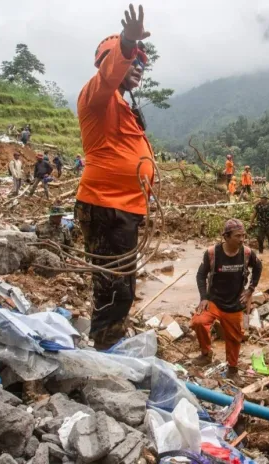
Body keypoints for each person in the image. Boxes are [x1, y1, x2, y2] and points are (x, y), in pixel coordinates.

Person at [74, 5, 155, 350]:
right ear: (111, 61)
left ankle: (109, 343)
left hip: (123, 208)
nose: (137, 68)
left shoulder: (121, 105)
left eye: (140, 63)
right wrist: (127, 42)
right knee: (113, 287)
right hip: (107, 206)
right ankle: (106, 352)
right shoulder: (96, 97)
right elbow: (109, 74)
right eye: (131, 62)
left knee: (120, 284)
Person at [191, 219, 262, 381]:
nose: (242, 239)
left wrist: (251, 290)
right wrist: (203, 298)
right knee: (198, 322)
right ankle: (206, 353)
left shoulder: (247, 253)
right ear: (226, 237)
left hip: (236, 304)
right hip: (214, 300)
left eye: (243, 235)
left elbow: (259, 267)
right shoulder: (212, 253)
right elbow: (201, 275)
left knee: (234, 338)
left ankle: (232, 369)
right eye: (238, 236)